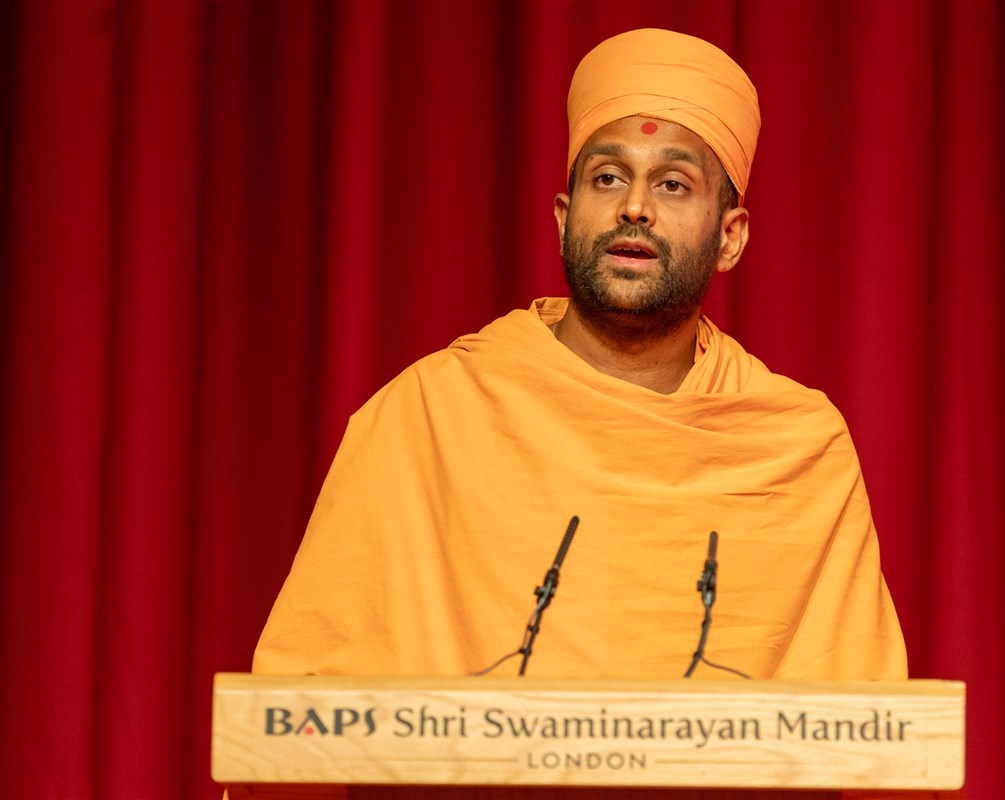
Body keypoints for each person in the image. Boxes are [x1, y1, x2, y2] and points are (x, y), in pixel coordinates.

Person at [253, 28, 906, 683]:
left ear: (730, 237)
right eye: (608, 177)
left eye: (673, 183)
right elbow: (304, 695)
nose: (634, 207)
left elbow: (859, 719)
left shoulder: (796, 448)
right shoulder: (427, 417)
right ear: (565, 219)